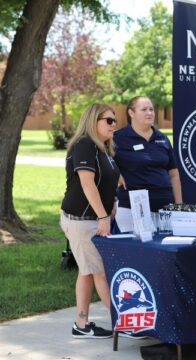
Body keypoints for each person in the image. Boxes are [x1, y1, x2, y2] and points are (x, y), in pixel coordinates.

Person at [60, 103, 120, 339]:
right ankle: (123, 323)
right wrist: (103, 215)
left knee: (87, 271)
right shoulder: (85, 145)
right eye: (109, 120)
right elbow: (87, 184)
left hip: (93, 219)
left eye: (115, 120)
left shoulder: (104, 149)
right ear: (93, 121)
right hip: (82, 221)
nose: (114, 125)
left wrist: (112, 201)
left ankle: (81, 324)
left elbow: (107, 182)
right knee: (100, 272)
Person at [113, 96, 182, 231]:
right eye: (144, 109)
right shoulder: (118, 138)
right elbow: (103, 164)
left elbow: (173, 174)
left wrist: (178, 205)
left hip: (164, 209)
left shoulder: (162, 138)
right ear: (131, 113)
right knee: (134, 251)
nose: (150, 113)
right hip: (131, 209)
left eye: (151, 109)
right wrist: (115, 174)